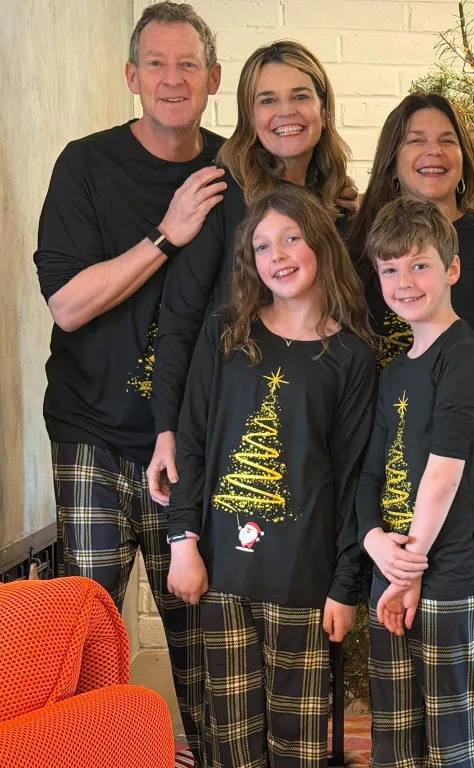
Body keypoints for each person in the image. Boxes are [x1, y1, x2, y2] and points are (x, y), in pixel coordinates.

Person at [33, 3, 225, 762]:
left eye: (188, 65)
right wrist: (164, 236)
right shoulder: (86, 164)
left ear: (212, 77)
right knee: (90, 637)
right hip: (93, 432)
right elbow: (69, 304)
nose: (172, 79)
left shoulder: (232, 170)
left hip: (193, 440)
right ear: (131, 76)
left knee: (201, 634)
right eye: (157, 63)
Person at [165, 184, 376, 767]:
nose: (277, 255)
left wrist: (344, 584)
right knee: (231, 741)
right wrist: (183, 542)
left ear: (321, 245)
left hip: (305, 586)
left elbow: (356, 476)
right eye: (261, 246)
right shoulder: (227, 334)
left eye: (290, 238)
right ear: (248, 261)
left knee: (299, 745)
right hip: (221, 575)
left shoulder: (353, 356)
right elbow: (193, 442)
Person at [147, 39, 357, 506]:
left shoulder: (337, 206)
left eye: (301, 95)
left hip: (312, 432)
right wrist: (167, 429)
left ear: (323, 106)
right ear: (249, 113)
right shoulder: (223, 196)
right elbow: (180, 320)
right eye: (268, 99)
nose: (287, 111)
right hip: (230, 423)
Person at [356, 197, 474, 768]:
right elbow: (372, 469)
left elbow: (442, 475)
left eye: (419, 265)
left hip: (448, 575)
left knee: (451, 732)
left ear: (452, 269)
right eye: (389, 269)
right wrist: (375, 543)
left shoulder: (465, 359)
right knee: (393, 728)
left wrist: (410, 566)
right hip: (391, 566)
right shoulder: (397, 370)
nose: (403, 281)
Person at [347, 92, 474, 367]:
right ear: (393, 166)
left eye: (447, 140)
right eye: (416, 140)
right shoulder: (357, 247)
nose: (435, 151)